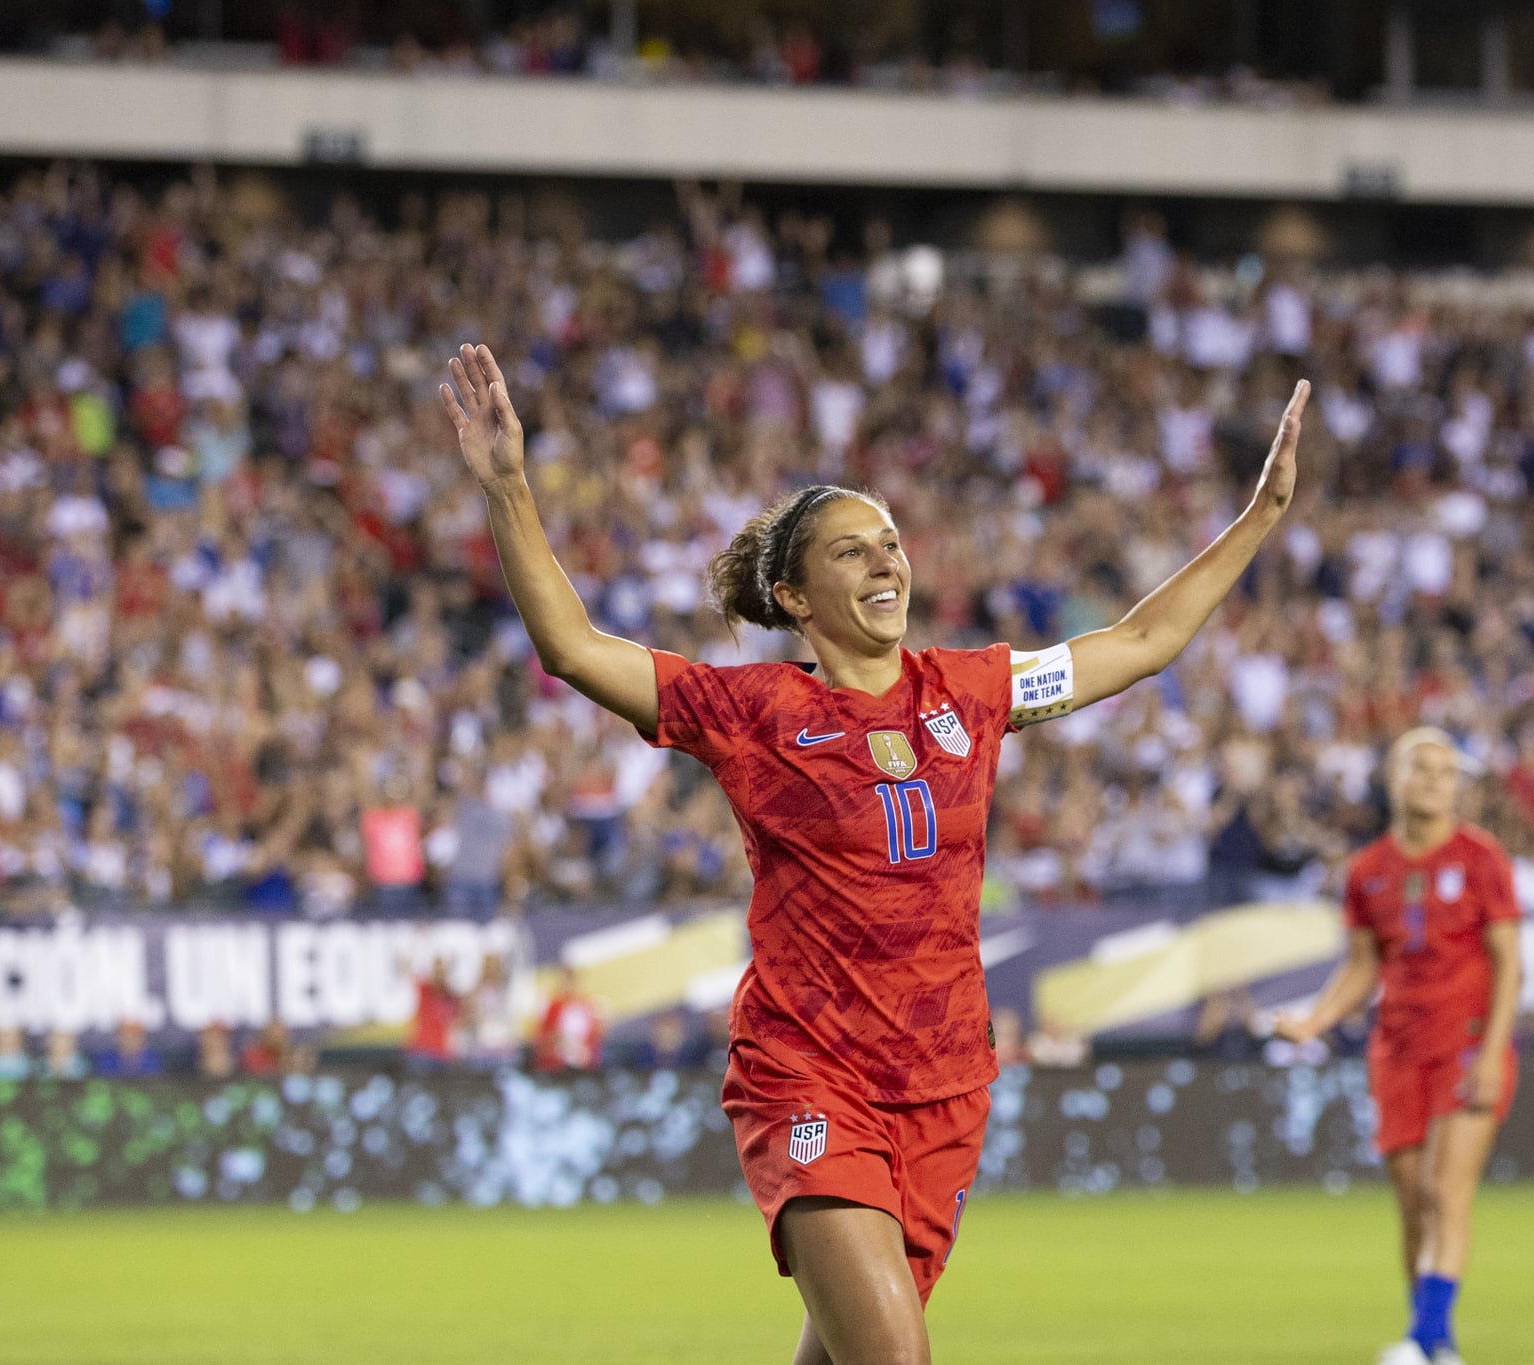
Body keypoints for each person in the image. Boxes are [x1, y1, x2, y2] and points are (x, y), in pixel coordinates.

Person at [441, 342, 1308, 1364]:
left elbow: (1139, 640)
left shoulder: (973, 692)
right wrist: (506, 488)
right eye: (850, 550)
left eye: (888, 542)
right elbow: (575, 650)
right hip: (806, 1072)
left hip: (943, 1085)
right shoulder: (752, 710)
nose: (883, 560)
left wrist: (1260, 517)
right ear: (797, 598)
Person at [1276, 728, 1523, 1365]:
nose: (1435, 780)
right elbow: (1362, 968)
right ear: (1394, 778)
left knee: (1447, 1192)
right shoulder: (1367, 872)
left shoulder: (1481, 857)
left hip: (1466, 1044)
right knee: (1414, 1205)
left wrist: (1494, 1051)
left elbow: (1509, 961)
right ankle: (1437, 1342)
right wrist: (1316, 1019)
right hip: (1398, 1050)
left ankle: (1423, 1340)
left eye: (1446, 771)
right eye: (1422, 767)